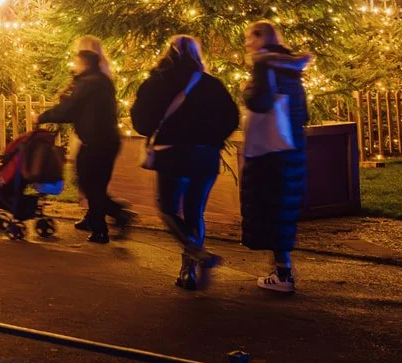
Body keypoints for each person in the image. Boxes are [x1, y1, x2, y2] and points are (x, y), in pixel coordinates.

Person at [131, 35, 239, 290]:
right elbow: (232, 118)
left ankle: (194, 252)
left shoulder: (156, 82)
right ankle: (188, 267)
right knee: (195, 210)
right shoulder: (211, 84)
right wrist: (211, 137)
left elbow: (141, 122)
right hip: (205, 154)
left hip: (172, 153)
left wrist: (158, 130)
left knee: (167, 208)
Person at [240, 20, 311, 294]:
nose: (246, 44)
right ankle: (282, 269)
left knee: (271, 208)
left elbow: (259, 102)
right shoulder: (290, 69)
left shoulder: (265, 64)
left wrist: (249, 88)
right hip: (292, 146)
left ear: (260, 38)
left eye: (249, 37)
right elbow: (301, 112)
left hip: (270, 151)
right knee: (282, 210)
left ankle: (283, 274)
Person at [39, 36, 130, 244]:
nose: (74, 66)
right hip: (108, 141)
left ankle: (103, 227)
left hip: (94, 142)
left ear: (85, 63)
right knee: (95, 184)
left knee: (89, 184)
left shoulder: (87, 84)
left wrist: (42, 117)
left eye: (77, 62)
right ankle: (110, 217)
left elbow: (70, 109)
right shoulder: (102, 80)